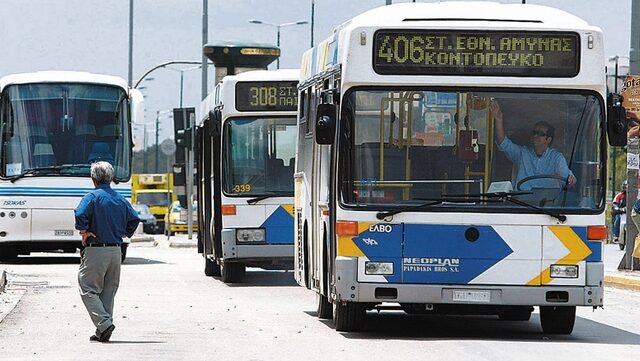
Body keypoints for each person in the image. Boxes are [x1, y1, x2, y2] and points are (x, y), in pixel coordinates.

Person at [75, 161, 140, 342]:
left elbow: (80, 214)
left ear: (93, 178)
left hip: (96, 249)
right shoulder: (120, 198)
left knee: (87, 288)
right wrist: (123, 233)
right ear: (111, 178)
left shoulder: (92, 197)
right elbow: (134, 219)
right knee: (108, 292)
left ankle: (104, 323)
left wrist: (84, 230)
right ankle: (102, 330)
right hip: (116, 250)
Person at [490, 99, 577, 190]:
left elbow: (567, 177)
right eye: (534, 132)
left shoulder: (557, 158)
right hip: (521, 202)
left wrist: (571, 179)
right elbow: (503, 143)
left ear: (548, 139)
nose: (535, 135)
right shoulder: (522, 153)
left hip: (549, 203)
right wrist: (498, 119)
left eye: (540, 134)